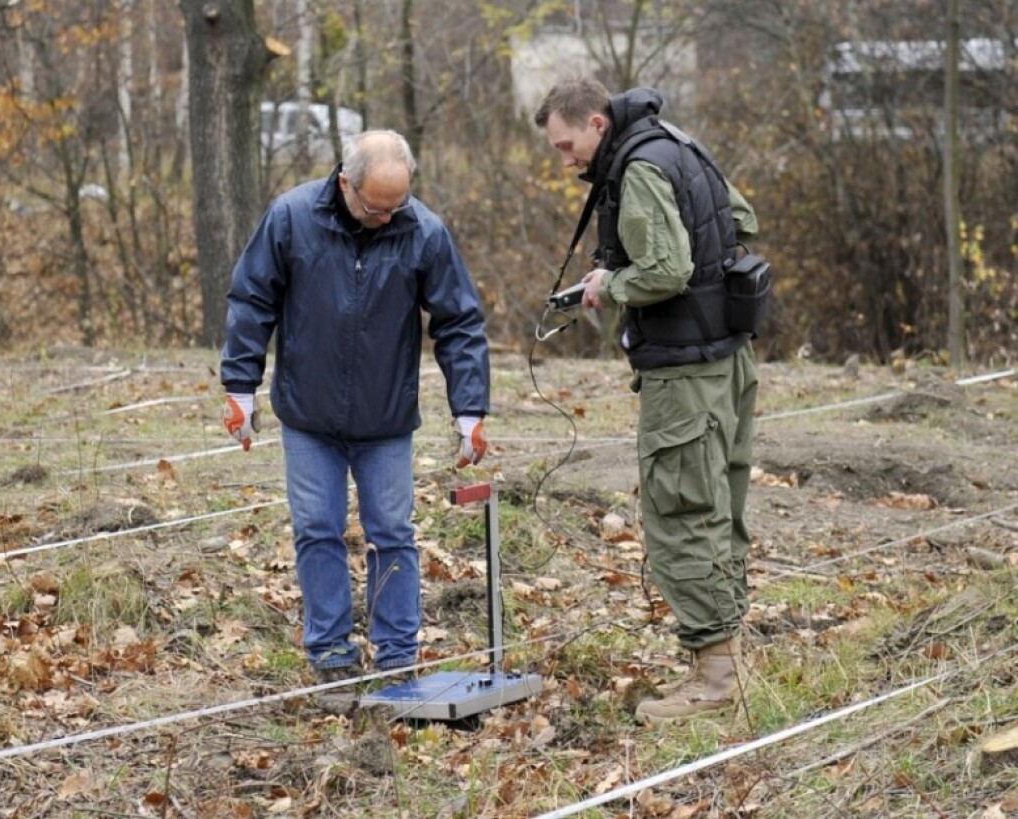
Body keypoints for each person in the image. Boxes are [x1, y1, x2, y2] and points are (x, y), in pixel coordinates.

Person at [220, 130, 490, 685]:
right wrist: (240, 389)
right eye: (376, 206)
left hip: (385, 418)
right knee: (317, 529)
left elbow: (459, 323)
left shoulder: (425, 232)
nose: (389, 217)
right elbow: (252, 300)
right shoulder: (291, 218)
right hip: (308, 414)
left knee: (392, 531)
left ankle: (395, 650)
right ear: (345, 182)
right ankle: (331, 652)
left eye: (399, 204)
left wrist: (470, 410)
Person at [534, 80, 760, 724]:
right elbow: (740, 219)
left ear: (598, 124)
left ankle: (716, 682)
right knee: (719, 509)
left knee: (681, 514)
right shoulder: (678, 145)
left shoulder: (637, 168)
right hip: (730, 361)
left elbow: (664, 272)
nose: (565, 159)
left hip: (685, 376)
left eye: (567, 143)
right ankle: (730, 659)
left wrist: (613, 281)